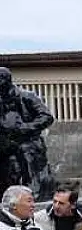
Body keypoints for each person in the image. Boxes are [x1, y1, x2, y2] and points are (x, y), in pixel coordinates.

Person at [0, 67, 55, 201]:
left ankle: (34, 197)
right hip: (7, 143)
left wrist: (26, 128)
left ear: (6, 81)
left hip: (28, 142)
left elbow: (47, 117)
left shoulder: (27, 96)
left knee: (27, 158)